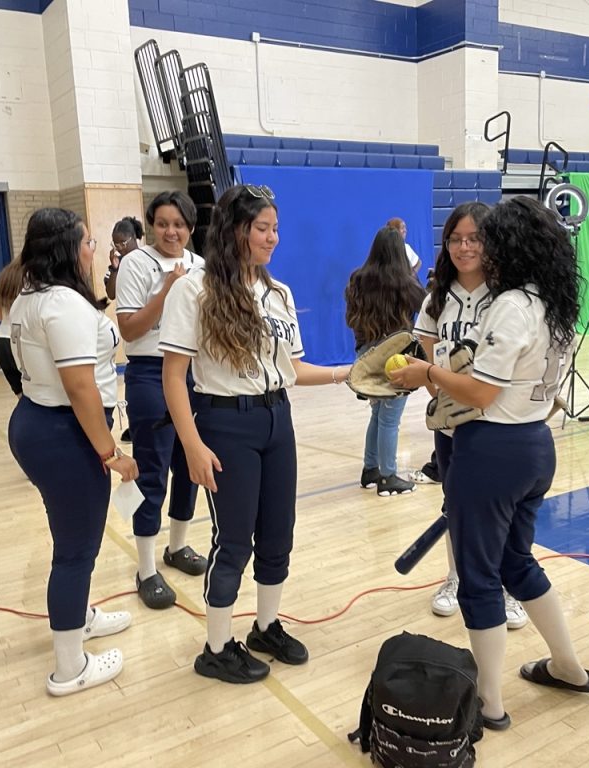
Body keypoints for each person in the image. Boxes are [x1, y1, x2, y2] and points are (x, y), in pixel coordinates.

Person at [390, 197, 589, 732]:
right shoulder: (551, 297)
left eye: (485, 239)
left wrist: (428, 376)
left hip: (492, 446)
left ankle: (488, 703)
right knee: (517, 562)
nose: (474, 247)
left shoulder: (510, 303)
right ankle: (567, 665)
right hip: (535, 444)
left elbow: (482, 393)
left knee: (479, 578)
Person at [159, 183, 351, 684]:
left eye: (275, 229)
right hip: (225, 424)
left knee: (276, 535)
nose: (272, 238)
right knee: (233, 542)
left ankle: (265, 627)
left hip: (276, 420)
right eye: (262, 229)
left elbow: (292, 368)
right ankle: (217, 647)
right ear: (236, 231)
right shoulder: (194, 290)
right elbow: (173, 376)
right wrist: (193, 445)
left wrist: (346, 372)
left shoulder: (278, 293)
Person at [7, 207, 139, 696]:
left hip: (39, 424)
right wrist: (111, 454)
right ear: (66, 247)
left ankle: (78, 617)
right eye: (87, 240)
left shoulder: (31, 295)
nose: (94, 248)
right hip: (65, 434)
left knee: (70, 540)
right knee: (75, 552)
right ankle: (69, 668)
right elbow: (81, 387)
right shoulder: (60, 303)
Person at [412, 201, 528, 630]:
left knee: (501, 508)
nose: (464, 247)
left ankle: (506, 586)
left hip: (497, 423)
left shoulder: (507, 297)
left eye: (473, 238)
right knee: (455, 502)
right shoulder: (436, 297)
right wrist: (438, 392)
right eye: (456, 239)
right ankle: (456, 577)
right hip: (452, 423)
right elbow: (425, 348)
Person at [115, 191, 206, 610]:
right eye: (164, 223)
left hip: (193, 374)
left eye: (180, 224)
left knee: (192, 464)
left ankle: (178, 547)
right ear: (152, 224)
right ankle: (147, 568)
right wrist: (169, 289)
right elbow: (131, 330)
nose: (172, 231)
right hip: (150, 373)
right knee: (152, 471)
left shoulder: (201, 266)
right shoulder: (135, 263)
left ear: (190, 227)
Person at [345, 226, 425, 496]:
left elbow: (351, 320)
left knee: (378, 415)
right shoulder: (406, 282)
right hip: (395, 358)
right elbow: (427, 307)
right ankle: (388, 476)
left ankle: (370, 469)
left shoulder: (357, 279)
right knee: (390, 420)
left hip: (366, 355)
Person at [0, 259, 24, 396]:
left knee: (23, 399)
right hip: (20, 341)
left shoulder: (4, 276)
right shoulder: (30, 277)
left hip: (2, 341)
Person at [103, 216, 144, 301]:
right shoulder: (117, 263)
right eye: (116, 245)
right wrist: (115, 269)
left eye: (123, 243)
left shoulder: (146, 259)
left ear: (133, 237)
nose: (120, 248)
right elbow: (111, 295)